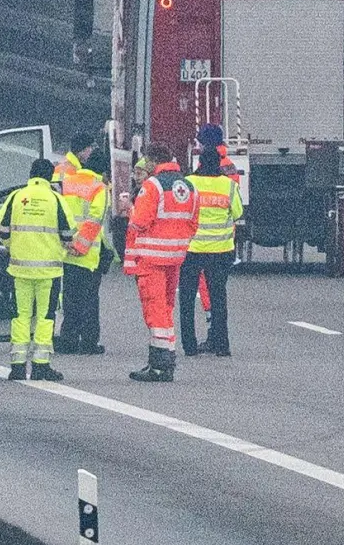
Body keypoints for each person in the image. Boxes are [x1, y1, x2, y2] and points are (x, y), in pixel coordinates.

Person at [0, 158, 76, 382]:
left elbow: (1, 231)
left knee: (20, 316)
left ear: (31, 174)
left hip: (19, 270)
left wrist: (15, 247)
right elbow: (69, 234)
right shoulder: (56, 200)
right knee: (45, 317)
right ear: (50, 177)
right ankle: (41, 365)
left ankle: (18, 366)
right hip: (49, 272)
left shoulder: (17, 197)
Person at [122, 146, 197, 383]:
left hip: (152, 258)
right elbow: (194, 222)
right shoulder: (188, 185)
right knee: (165, 309)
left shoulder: (152, 186)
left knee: (155, 312)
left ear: (154, 161)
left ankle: (160, 364)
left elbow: (139, 221)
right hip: (176, 256)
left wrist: (130, 210)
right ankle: (165, 361)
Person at [180, 147, 242, 357]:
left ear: (199, 163)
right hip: (221, 250)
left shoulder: (189, 183)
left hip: (192, 249)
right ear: (218, 164)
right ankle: (221, 345)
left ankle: (189, 346)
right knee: (218, 298)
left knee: (187, 298)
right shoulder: (229, 186)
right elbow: (238, 212)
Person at [53, 131, 108, 355]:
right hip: (86, 254)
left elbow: (60, 213)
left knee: (70, 299)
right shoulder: (98, 188)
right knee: (89, 301)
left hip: (66, 250)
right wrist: (82, 246)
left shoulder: (68, 183)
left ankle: (68, 340)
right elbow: (95, 220)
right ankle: (88, 342)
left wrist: (67, 243)